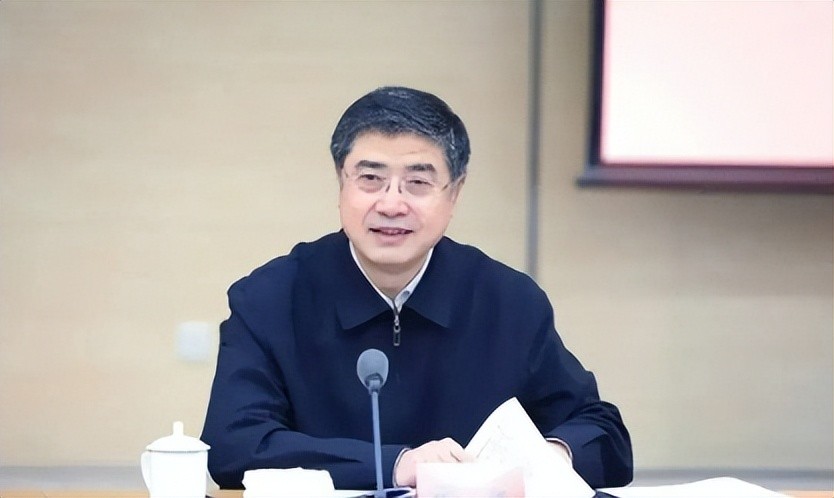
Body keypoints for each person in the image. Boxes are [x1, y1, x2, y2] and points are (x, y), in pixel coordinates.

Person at [201, 86, 633, 491]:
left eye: (418, 183)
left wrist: (552, 456)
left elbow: (603, 432)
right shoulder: (269, 298)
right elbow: (233, 445)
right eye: (370, 179)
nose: (391, 204)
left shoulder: (508, 302)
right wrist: (397, 465)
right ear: (341, 183)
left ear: (454, 193)